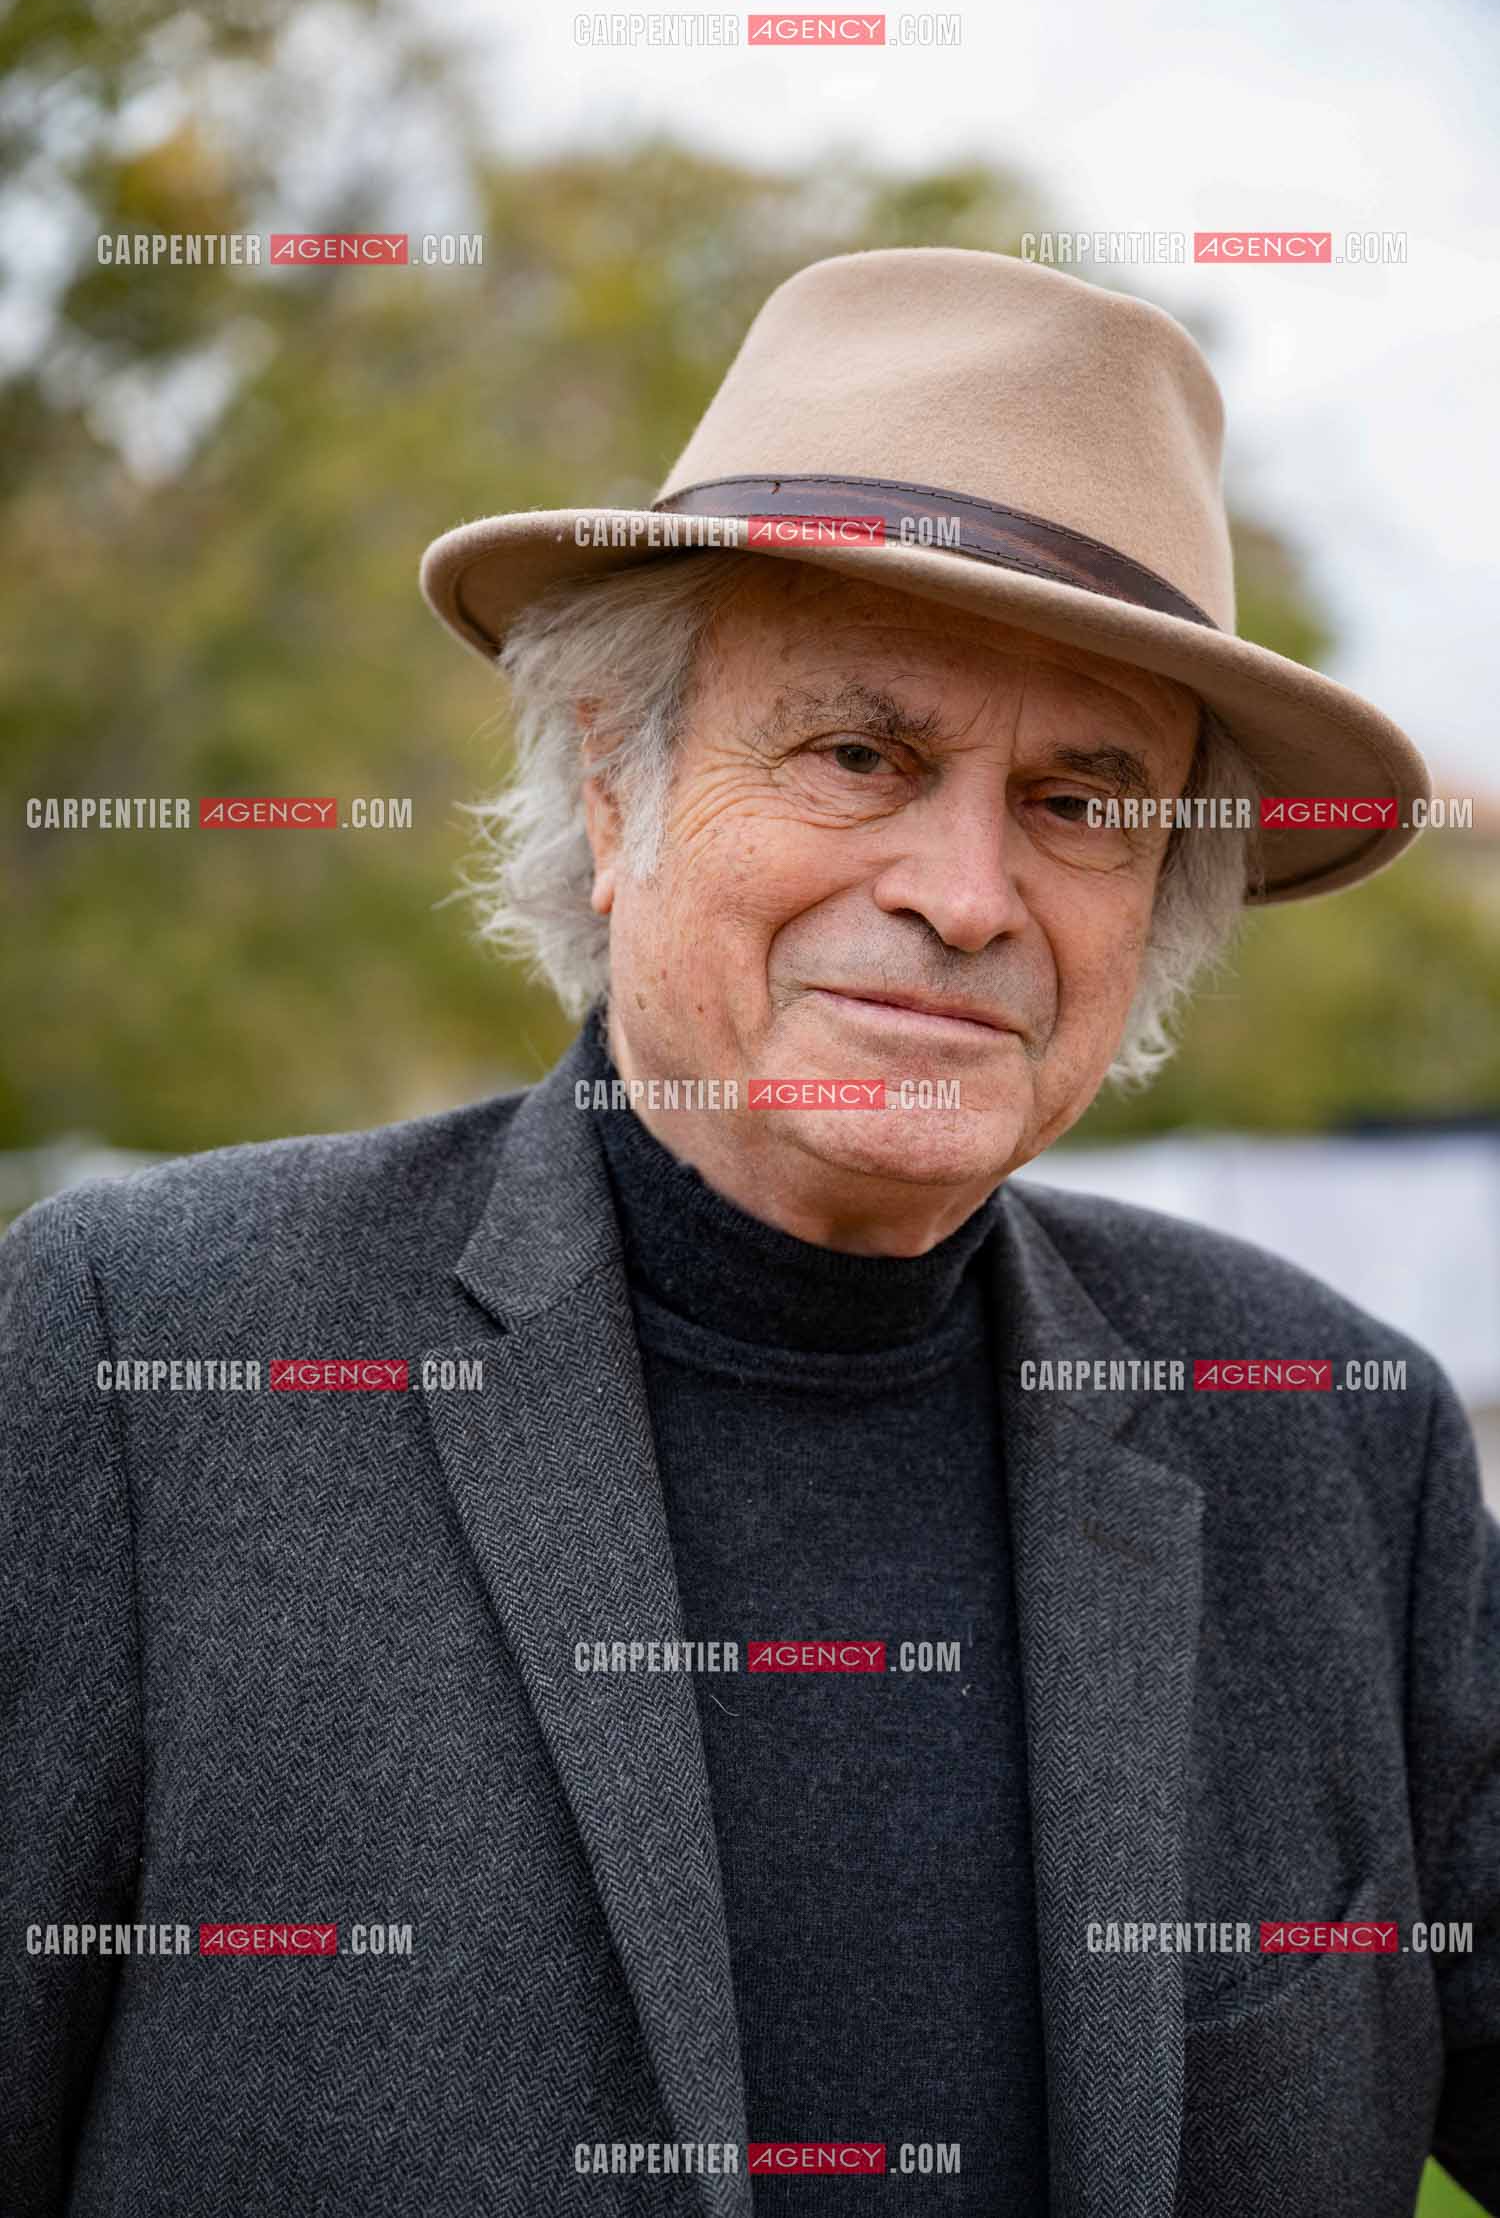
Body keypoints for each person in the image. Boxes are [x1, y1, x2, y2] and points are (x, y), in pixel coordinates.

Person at [3, 248, 1496, 2217]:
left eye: (1080, 802)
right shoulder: (139, 1355)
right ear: (614, 794)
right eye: (862, 755)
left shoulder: (1338, 1439)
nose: (968, 893)